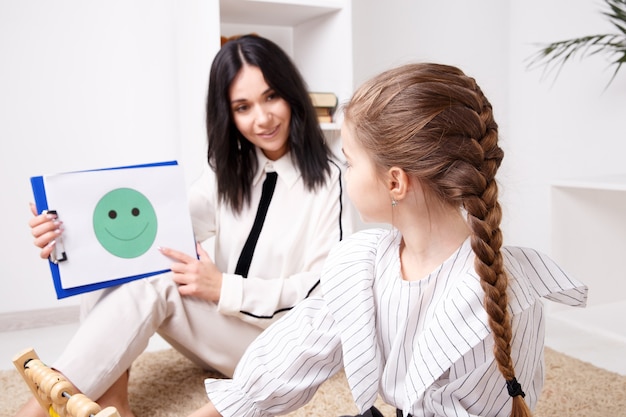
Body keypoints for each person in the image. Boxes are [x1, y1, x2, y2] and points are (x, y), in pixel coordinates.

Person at [187, 63, 588, 417]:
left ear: (395, 181)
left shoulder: (500, 292)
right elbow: (299, 348)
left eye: (349, 161)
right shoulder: (364, 263)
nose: (343, 173)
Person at [18, 34, 351, 417]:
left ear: (292, 95)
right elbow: (150, 230)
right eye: (243, 107)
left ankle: (39, 407)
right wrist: (63, 233)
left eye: (271, 96)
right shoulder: (230, 174)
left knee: (157, 280)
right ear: (229, 114)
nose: (262, 118)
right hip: (222, 331)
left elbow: (324, 289)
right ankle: (113, 402)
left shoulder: (332, 181)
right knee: (119, 261)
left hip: (280, 348)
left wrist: (224, 287)